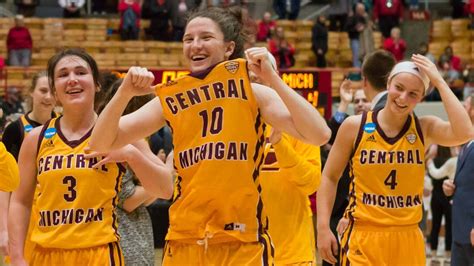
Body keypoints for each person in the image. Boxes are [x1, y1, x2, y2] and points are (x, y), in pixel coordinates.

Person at [89, 6, 330, 265]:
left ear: (228, 48)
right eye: (188, 39)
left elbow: (319, 134)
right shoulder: (172, 95)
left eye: (205, 38)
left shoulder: (252, 90)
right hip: (184, 238)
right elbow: (100, 143)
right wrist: (123, 93)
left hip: (241, 240)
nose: (195, 45)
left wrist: (273, 78)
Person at [7, 48, 173, 265]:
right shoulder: (35, 139)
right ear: (54, 91)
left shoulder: (122, 133)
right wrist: (17, 256)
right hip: (46, 253)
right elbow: (20, 201)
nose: (72, 79)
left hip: (99, 254)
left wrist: (131, 154)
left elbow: (165, 189)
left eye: (80, 72)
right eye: (63, 74)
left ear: (96, 84)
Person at [317, 55, 474, 265]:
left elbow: (465, 133)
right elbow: (329, 176)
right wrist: (322, 227)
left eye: (413, 94)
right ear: (388, 82)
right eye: (398, 88)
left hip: (408, 236)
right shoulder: (355, 126)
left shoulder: (424, 128)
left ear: (421, 98)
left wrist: (439, 81)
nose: (402, 98)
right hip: (364, 234)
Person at [252, 52, 321, 264]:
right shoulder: (229, 123)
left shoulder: (297, 121)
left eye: (260, 70)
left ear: (274, 77)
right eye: (248, 73)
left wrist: (281, 145)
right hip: (243, 250)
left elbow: (311, 183)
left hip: (292, 252)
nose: (254, 77)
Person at [96, 78, 162, 266]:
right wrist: (165, 170)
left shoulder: (135, 140)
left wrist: (154, 181)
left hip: (134, 233)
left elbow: (151, 196)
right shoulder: (121, 140)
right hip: (121, 236)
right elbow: (129, 200)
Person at [0, 71, 56, 263]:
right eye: (43, 90)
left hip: (58, 217)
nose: (48, 97)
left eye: (53, 91)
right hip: (24, 215)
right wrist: (4, 229)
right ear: (31, 92)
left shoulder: (67, 127)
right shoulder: (15, 129)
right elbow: (4, 185)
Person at [324, 80, 371, 266]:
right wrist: (344, 102)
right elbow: (329, 134)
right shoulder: (348, 129)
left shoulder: (383, 129)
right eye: (356, 101)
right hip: (339, 210)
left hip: (367, 215)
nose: (359, 103)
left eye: (364, 100)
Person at [443, 93, 474, 266]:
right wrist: (451, 190)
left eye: (466, 105)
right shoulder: (466, 142)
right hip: (460, 229)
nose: (462, 108)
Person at [426, 145, 456, 263]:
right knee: (449, 226)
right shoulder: (452, 161)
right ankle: (448, 256)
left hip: (436, 198)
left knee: (435, 226)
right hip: (449, 198)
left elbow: (432, 176)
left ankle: (433, 255)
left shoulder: (432, 161)